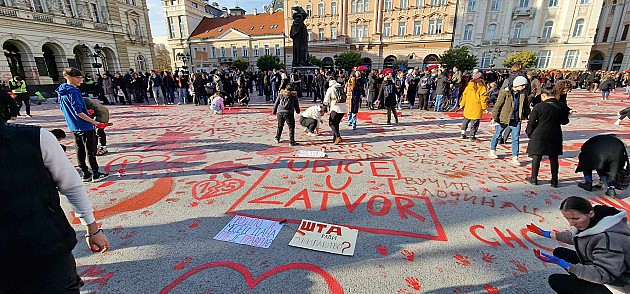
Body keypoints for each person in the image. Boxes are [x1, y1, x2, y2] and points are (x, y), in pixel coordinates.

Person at [0, 118, 110, 293]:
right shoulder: (35, 137)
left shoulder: (35, 138)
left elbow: (71, 185)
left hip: (46, 253)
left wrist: (92, 227)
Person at [528, 196, 630, 294]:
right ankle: (582, 281)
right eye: (567, 219)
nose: (571, 224)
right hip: (606, 267)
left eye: (575, 219)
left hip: (619, 283)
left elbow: (604, 274)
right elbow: (578, 237)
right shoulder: (595, 220)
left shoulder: (608, 239)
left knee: (556, 281)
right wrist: (548, 234)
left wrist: (569, 266)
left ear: (590, 213)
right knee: (560, 252)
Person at [57, 68, 110, 182]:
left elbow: (64, 108)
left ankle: (85, 173)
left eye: (81, 77)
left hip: (73, 125)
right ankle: (95, 173)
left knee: (79, 149)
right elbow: (78, 111)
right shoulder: (73, 92)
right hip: (84, 125)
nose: (80, 80)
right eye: (78, 77)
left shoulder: (61, 91)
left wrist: (85, 112)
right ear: (68, 77)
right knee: (90, 150)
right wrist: (95, 122)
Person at [524, 84, 571, 187]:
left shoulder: (539, 106)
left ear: (544, 95)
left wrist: (529, 133)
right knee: (553, 157)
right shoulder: (562, 106)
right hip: (555, 133)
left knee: (537, 156)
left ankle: (534, 178)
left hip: (540, 133)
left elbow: (531, 122)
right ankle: (554, 180)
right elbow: (565, 121)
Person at [488, 76, 531, 166]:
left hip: (516, 118)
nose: (524, 87)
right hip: (503, 118)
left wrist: (528, 115)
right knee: (497, 134)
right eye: (523, 85)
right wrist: (494, 117)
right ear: (517, 85)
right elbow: (498, 105)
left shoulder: (523, 94)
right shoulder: (505, 92)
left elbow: (526, 106)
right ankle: (492, 150)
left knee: (515, 138)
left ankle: (515, 157)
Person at [458, 72, 488, 141]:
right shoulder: (482, 87)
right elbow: (483, 98)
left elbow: (464, 96)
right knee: (475, 122)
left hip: (468, 105)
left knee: (466, 120)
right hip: (477, 106)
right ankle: (472, 135)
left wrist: (462, 104)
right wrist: (484, 107)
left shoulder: (469, 86)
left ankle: (463, 133)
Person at [324, 80, 347, 144]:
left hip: (335, 108)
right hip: (343, 109)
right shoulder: (341, 88)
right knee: (336, 123)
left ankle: (338, 136)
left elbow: (326, 99)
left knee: (331, 123)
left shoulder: (330, 89)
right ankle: (335, 138)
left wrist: (324, 106)